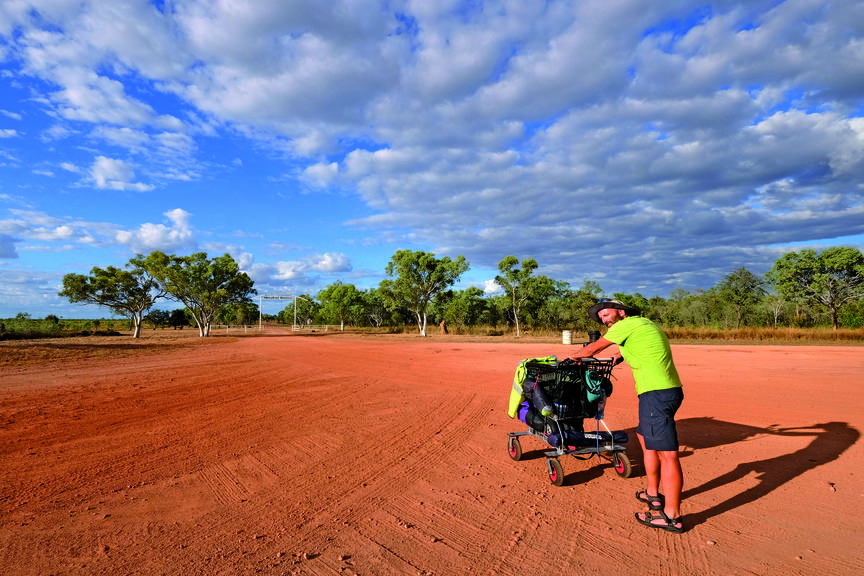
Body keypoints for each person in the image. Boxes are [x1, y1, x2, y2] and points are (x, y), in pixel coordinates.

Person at [567, 298, 685, 534]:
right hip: (662, 391)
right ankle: (653, 494)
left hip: (657, 393)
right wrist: (620, 357)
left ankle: (672, 516)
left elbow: (593, 348)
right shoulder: (644, 324)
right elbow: (645, 347)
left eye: (606, 313)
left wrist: (571, 358)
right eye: (600, 317)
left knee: (668, 454)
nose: (603, 318)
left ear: (621, 312)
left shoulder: (624, 325)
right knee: (644, 438)